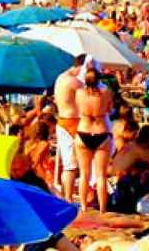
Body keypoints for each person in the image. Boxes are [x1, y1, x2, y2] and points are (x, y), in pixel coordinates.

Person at [76, 63, 112, 213]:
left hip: (83, 131)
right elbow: (110, 109)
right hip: (101, 131)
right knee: (101, 175)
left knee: (84, 174)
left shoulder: (79, 93)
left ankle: (83, 207)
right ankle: (103, 209)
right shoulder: (106, 93)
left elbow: (78, 107)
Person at [54, 55, 84, 202]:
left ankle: (67, 197)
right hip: (73, 121)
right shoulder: (74, 81)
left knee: (68, 164)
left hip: (62, 120)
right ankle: (69, 198)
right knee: (72, 165)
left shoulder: (60, 78)